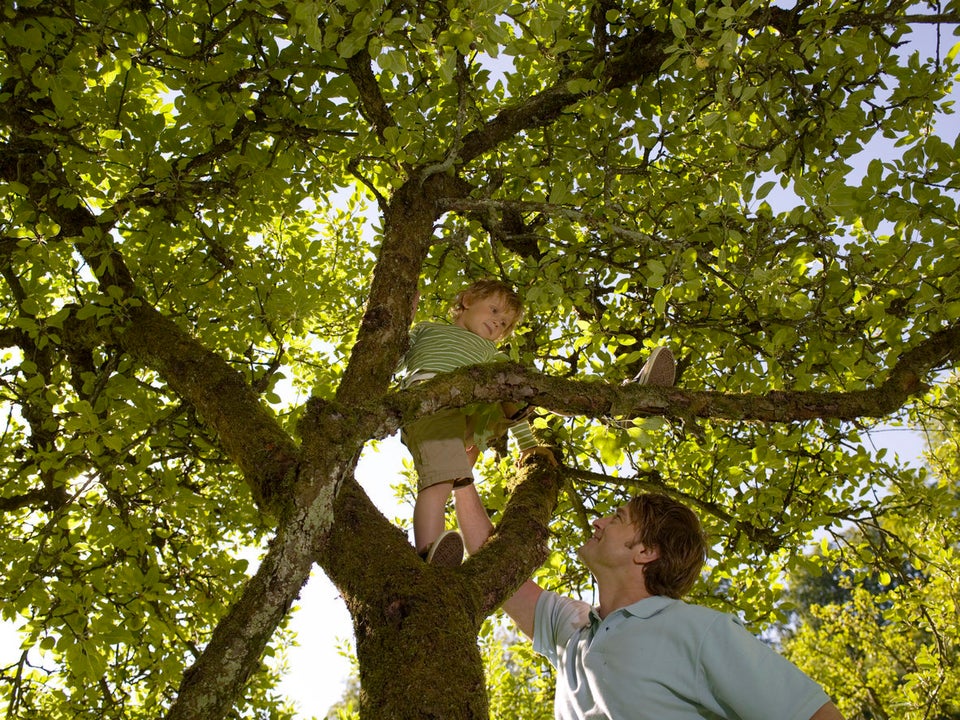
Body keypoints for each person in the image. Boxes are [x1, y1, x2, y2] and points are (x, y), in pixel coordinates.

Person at [455, 489, 846, 720]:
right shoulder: (571, 630)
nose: (598, 522)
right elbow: (494, 565)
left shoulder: (698, 630)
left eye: (617, 517)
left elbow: (816, 716)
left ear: (645, 551)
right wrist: (459, 477)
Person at [398, 279, 675, 566]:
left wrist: (528, 446)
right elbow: (391, 361)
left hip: (471, 414)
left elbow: (514, 399)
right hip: (430, 407)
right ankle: (429, 552)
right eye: (493, 311)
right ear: (467, 299)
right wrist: (403, 317)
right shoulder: (427, 330)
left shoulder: (492, 356)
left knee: (526, 383)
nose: (497, 324)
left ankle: (625, 401)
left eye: (504, 323)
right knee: (441, 478)